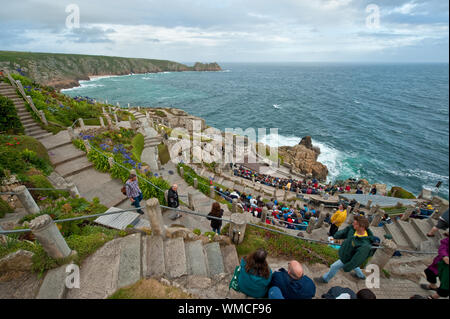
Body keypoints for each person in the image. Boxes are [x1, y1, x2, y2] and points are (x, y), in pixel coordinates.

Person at [315, 215, 375, 284]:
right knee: (355, 266)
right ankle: (361, 276)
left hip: (347, 257)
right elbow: (345, 232)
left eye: (355, 224)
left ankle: (325, 279)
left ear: (362, 227)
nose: (352, 224)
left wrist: (347, 268)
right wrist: (336, 236)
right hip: (348, 252)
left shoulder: (365, 245)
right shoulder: (353, 229)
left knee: (334, 266)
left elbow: (357, 259)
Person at [421, 233, 449, 299]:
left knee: (446, 285)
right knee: (429, 272)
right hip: (441, 262)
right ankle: (433, 286)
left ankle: (434, 297)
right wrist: (444, 255)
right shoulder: (447, 240)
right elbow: (443, 245)